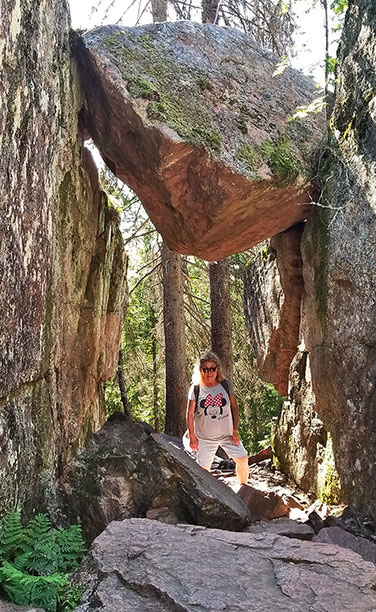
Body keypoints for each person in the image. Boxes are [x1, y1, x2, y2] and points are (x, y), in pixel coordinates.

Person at [186, 351, 249, 485]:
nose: (209, 372)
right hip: (204, 437)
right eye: (205, 369)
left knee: (243, 459)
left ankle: (244, 489)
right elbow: (190, 414)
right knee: (203, 472)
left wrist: (235, 431)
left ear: (217, 369)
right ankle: (206, 499)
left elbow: (234, 408)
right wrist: (192, 436)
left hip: (227, 435)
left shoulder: (225, 385)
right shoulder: (196, 389)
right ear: (201, 370)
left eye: (212, 369)